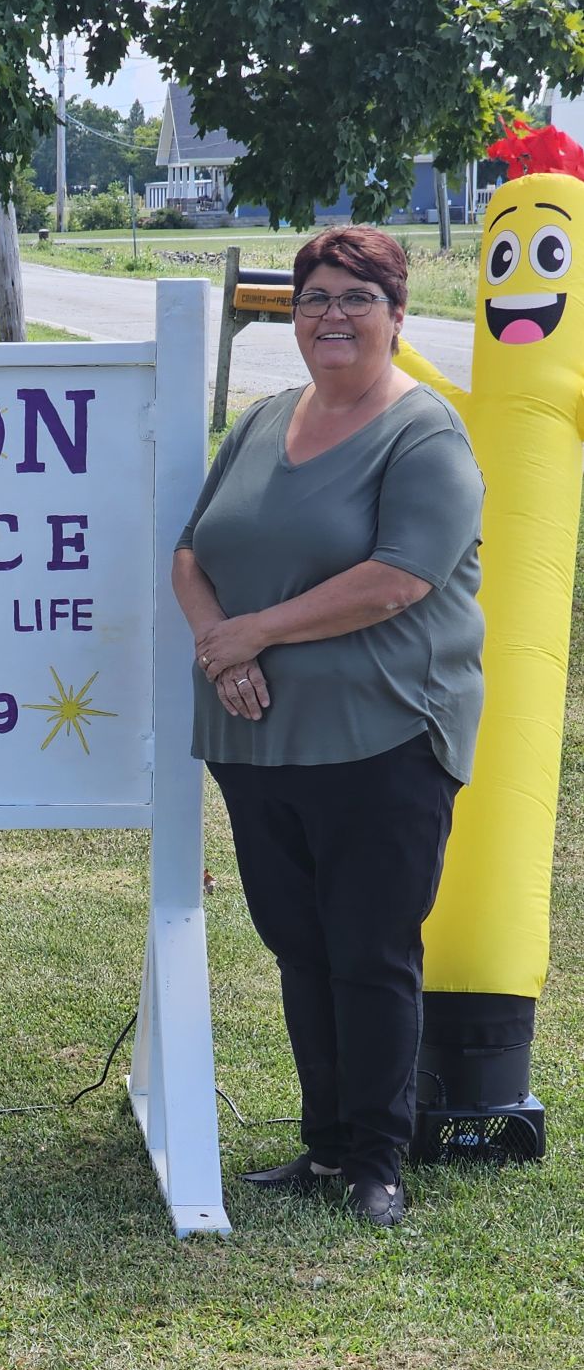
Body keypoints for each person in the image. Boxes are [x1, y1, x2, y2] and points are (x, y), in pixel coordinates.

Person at [173, 225, 484, 1227]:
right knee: (299, 944)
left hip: (383, 737)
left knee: (370, 948)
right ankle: (326, 1146)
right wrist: (221, 647)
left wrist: (256, 631)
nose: (332, 316)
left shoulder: (424, 434)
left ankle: (379, 1161)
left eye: (357, 297)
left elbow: (397, 580)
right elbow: (192, 552)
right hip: (258, 739)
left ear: (397, 314)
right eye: (314, 298)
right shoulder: (263, 420)